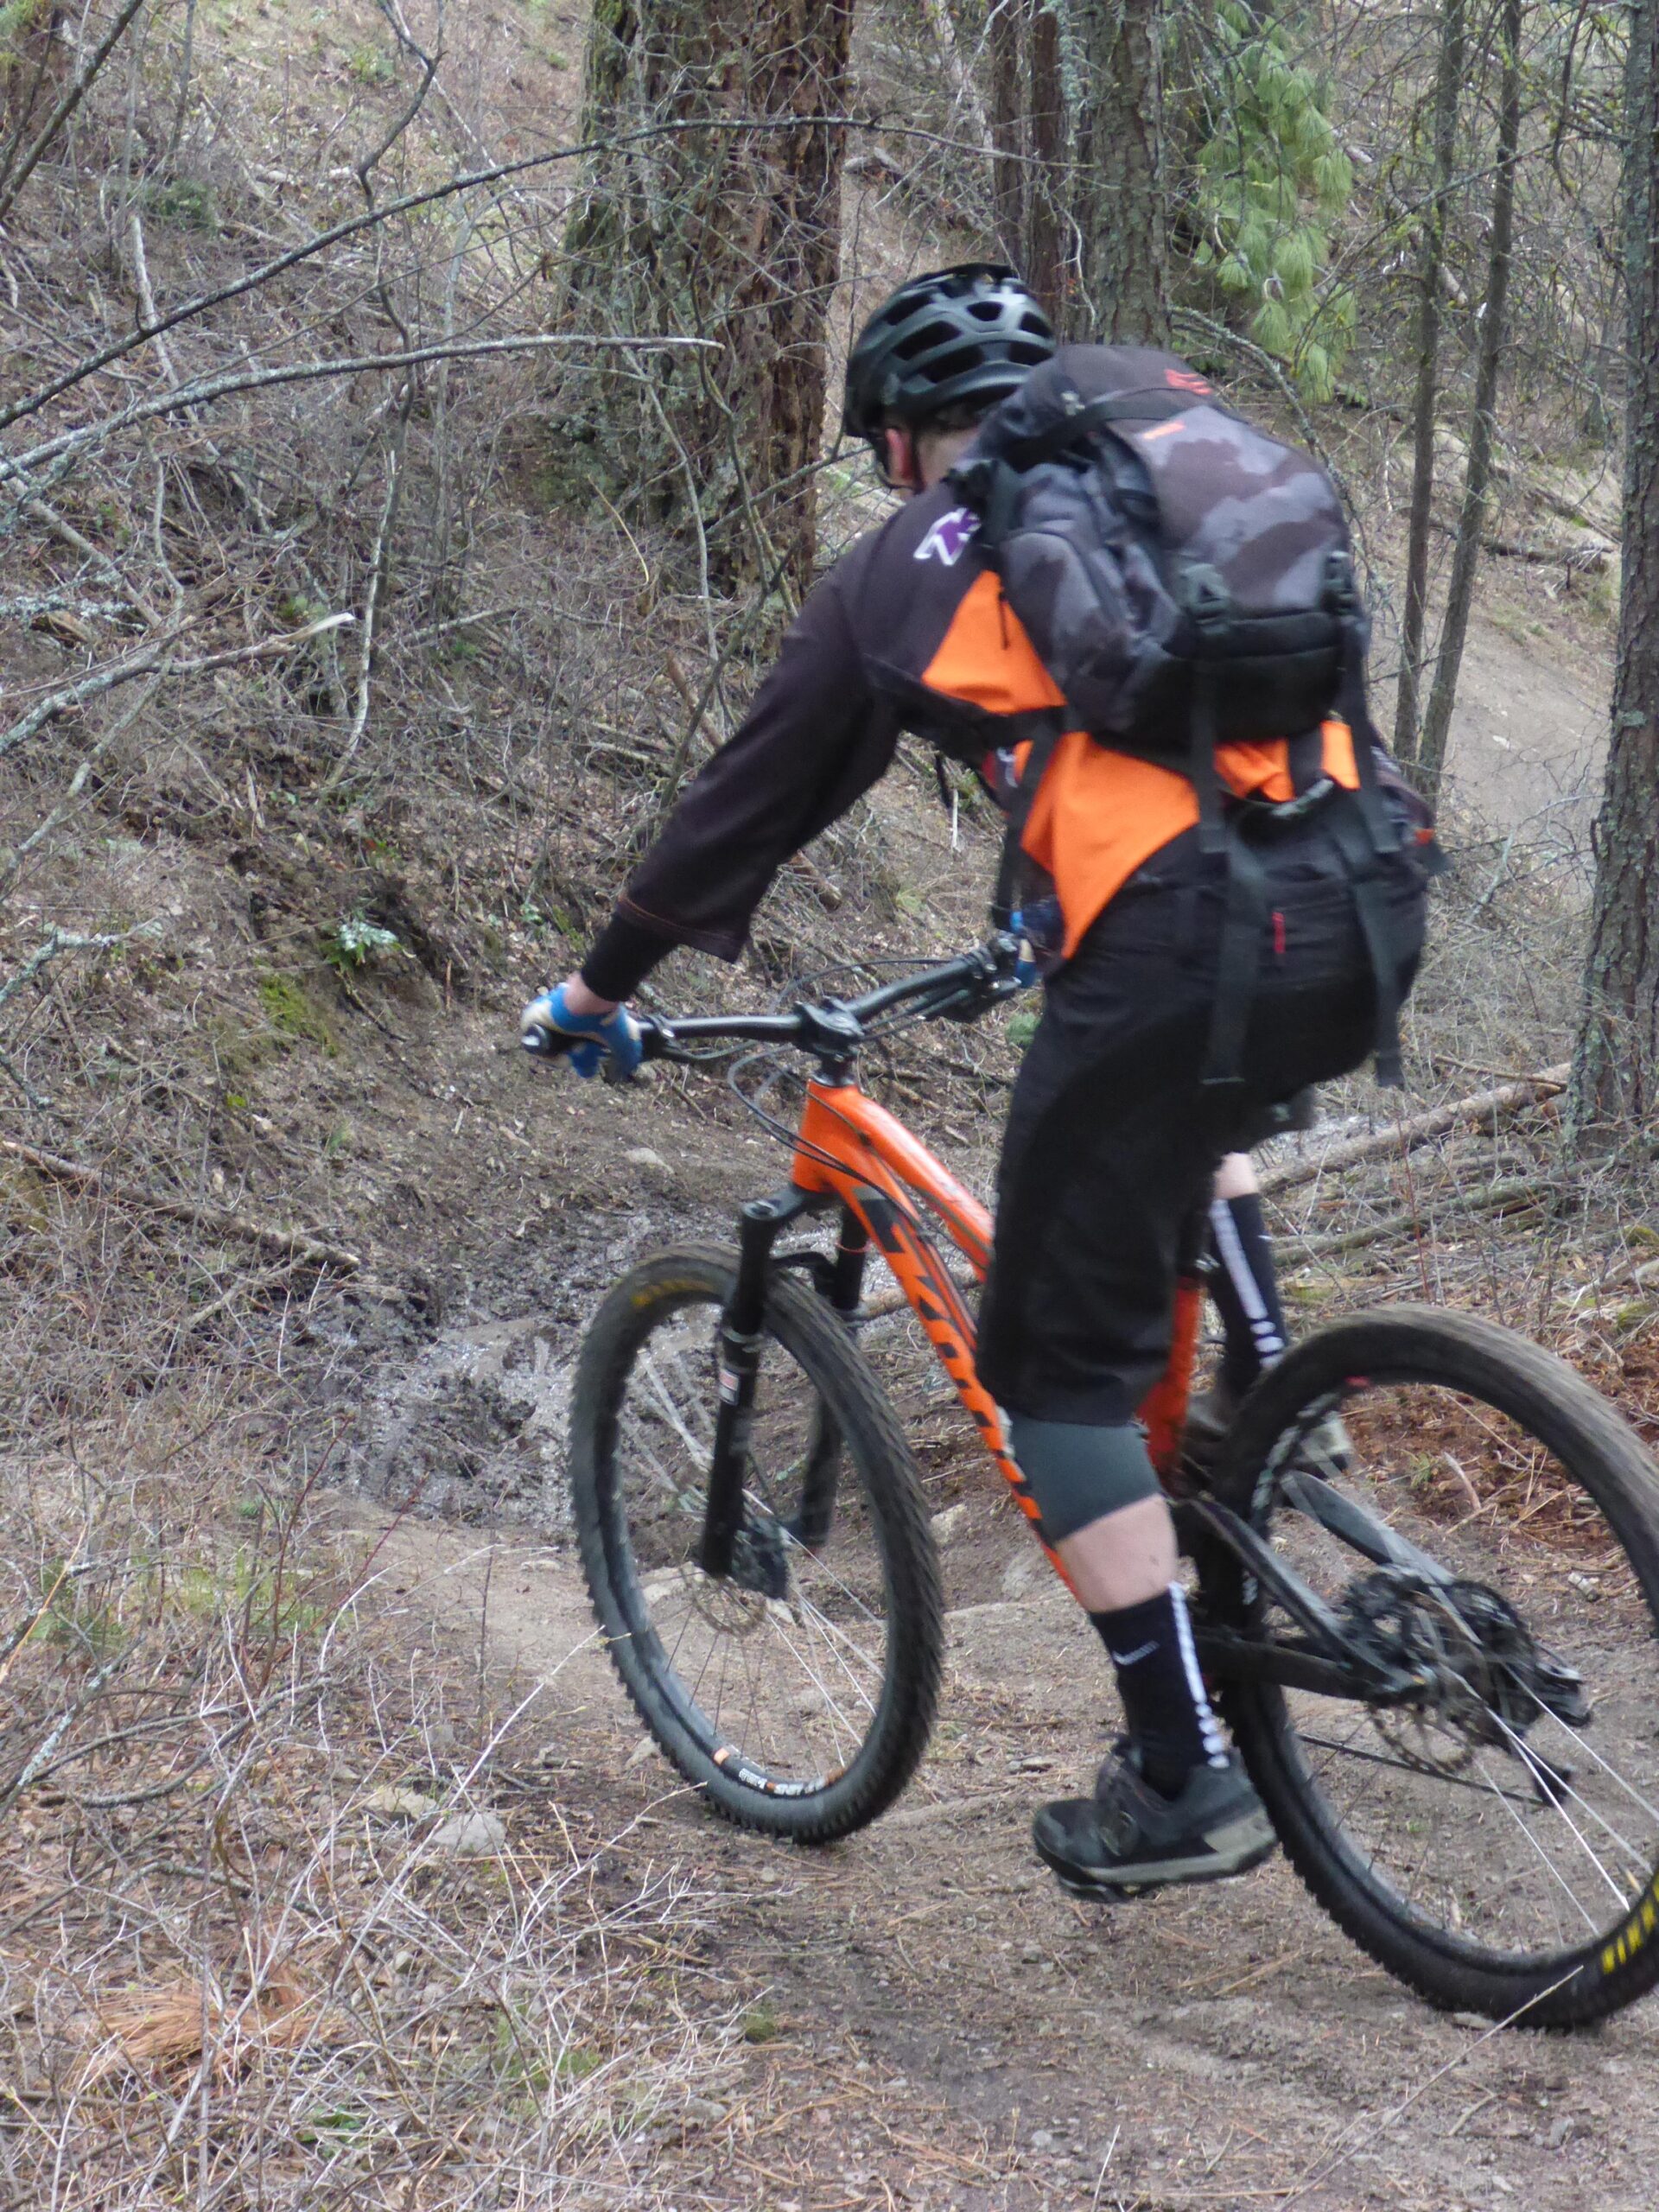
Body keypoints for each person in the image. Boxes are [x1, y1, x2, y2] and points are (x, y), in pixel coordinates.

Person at [526, 265, 1430, 1897]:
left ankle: (1183, 1774)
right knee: (1184, 1129)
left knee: (1054, 1379)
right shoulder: (1180, 457)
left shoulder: (899, 572)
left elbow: (751, 799)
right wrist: (1040, 918)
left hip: (1176, 939)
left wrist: (604, 984)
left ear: (897, 445)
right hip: (1359, 890)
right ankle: (1285, 1401)